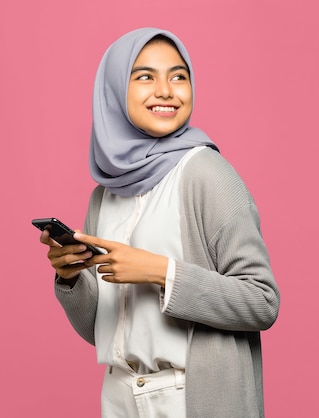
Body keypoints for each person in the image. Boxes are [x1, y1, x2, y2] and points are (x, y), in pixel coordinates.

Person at [38, 27, 280, 418]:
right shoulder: (105, 193)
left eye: (178, 76)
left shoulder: (206, 173)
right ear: (115, 90)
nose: (167, 90)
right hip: (120, 393)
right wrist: (71, 279)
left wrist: (161, 272)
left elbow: (262, 302)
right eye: (145, 76)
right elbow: (98, 331)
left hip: (194, 396)